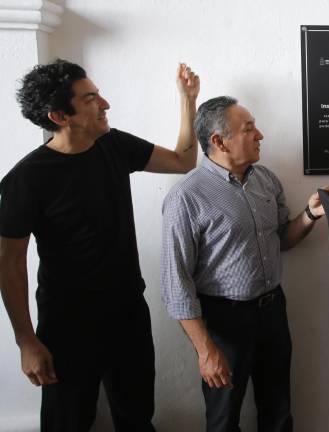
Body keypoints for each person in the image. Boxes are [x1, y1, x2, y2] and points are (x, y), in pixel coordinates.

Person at [0, 59, 199, 431]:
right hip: (66, 326)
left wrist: (187, 99)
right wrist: (26, 340)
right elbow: (9, 262)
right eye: (90, 99)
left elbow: (182, 161)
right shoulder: (26, 179)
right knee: (67, 423)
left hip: (127, 313)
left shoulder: (114, 145)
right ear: (59, 116)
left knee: (136, 419)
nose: (105, 104)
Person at [161, 96, 329, 432]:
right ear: (219, 141)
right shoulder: (186, 197)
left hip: (272, 311)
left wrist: (311, 214)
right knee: (224, 419)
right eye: (249, 128)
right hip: (223, 321)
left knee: (278, 412)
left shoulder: (265, 180)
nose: (260, 135)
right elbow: (175, 283)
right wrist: (205, 350)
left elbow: (282, 239)